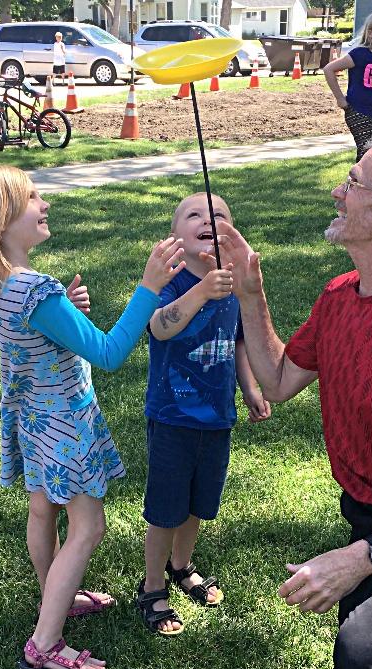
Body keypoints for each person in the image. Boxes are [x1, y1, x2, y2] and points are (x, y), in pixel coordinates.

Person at [0, 164, 185, 669]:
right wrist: (148, 288)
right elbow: (109, 352)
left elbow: (40, 334)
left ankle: (58, 593)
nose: (44, 204)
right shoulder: (35, 289)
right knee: (88, 527)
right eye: (33, 198)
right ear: (0, 220)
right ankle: (45, 644)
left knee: (43, 510)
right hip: (64, 424)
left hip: (32, 419)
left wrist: (67, 315)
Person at [207, 132, 372, 669]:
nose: (337, 194)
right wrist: (252, 294)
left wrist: (363, 558)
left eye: (352, 184)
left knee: (370, 651)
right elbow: (275, 380)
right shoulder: (340, 296)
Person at [136, 192, 271, 635]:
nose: (208, 219)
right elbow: (159, 326)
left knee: (197, 504)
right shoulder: (171, 283)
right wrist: (200, 290)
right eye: (194, 214)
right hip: (172, 417)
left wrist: (249, 387)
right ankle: (153, 585)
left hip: (217, 417)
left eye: (219, 215)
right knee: (165, 509)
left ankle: (181, 565)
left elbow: (236, 342)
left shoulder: (233, 285)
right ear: (176, 235)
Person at [324, 11, 372, 162]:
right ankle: (358, 183)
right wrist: (340, 99)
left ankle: (363, 183)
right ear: (370, 33)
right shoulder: (359, 54)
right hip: (357, 111)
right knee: (367, 154)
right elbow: (329, 69)